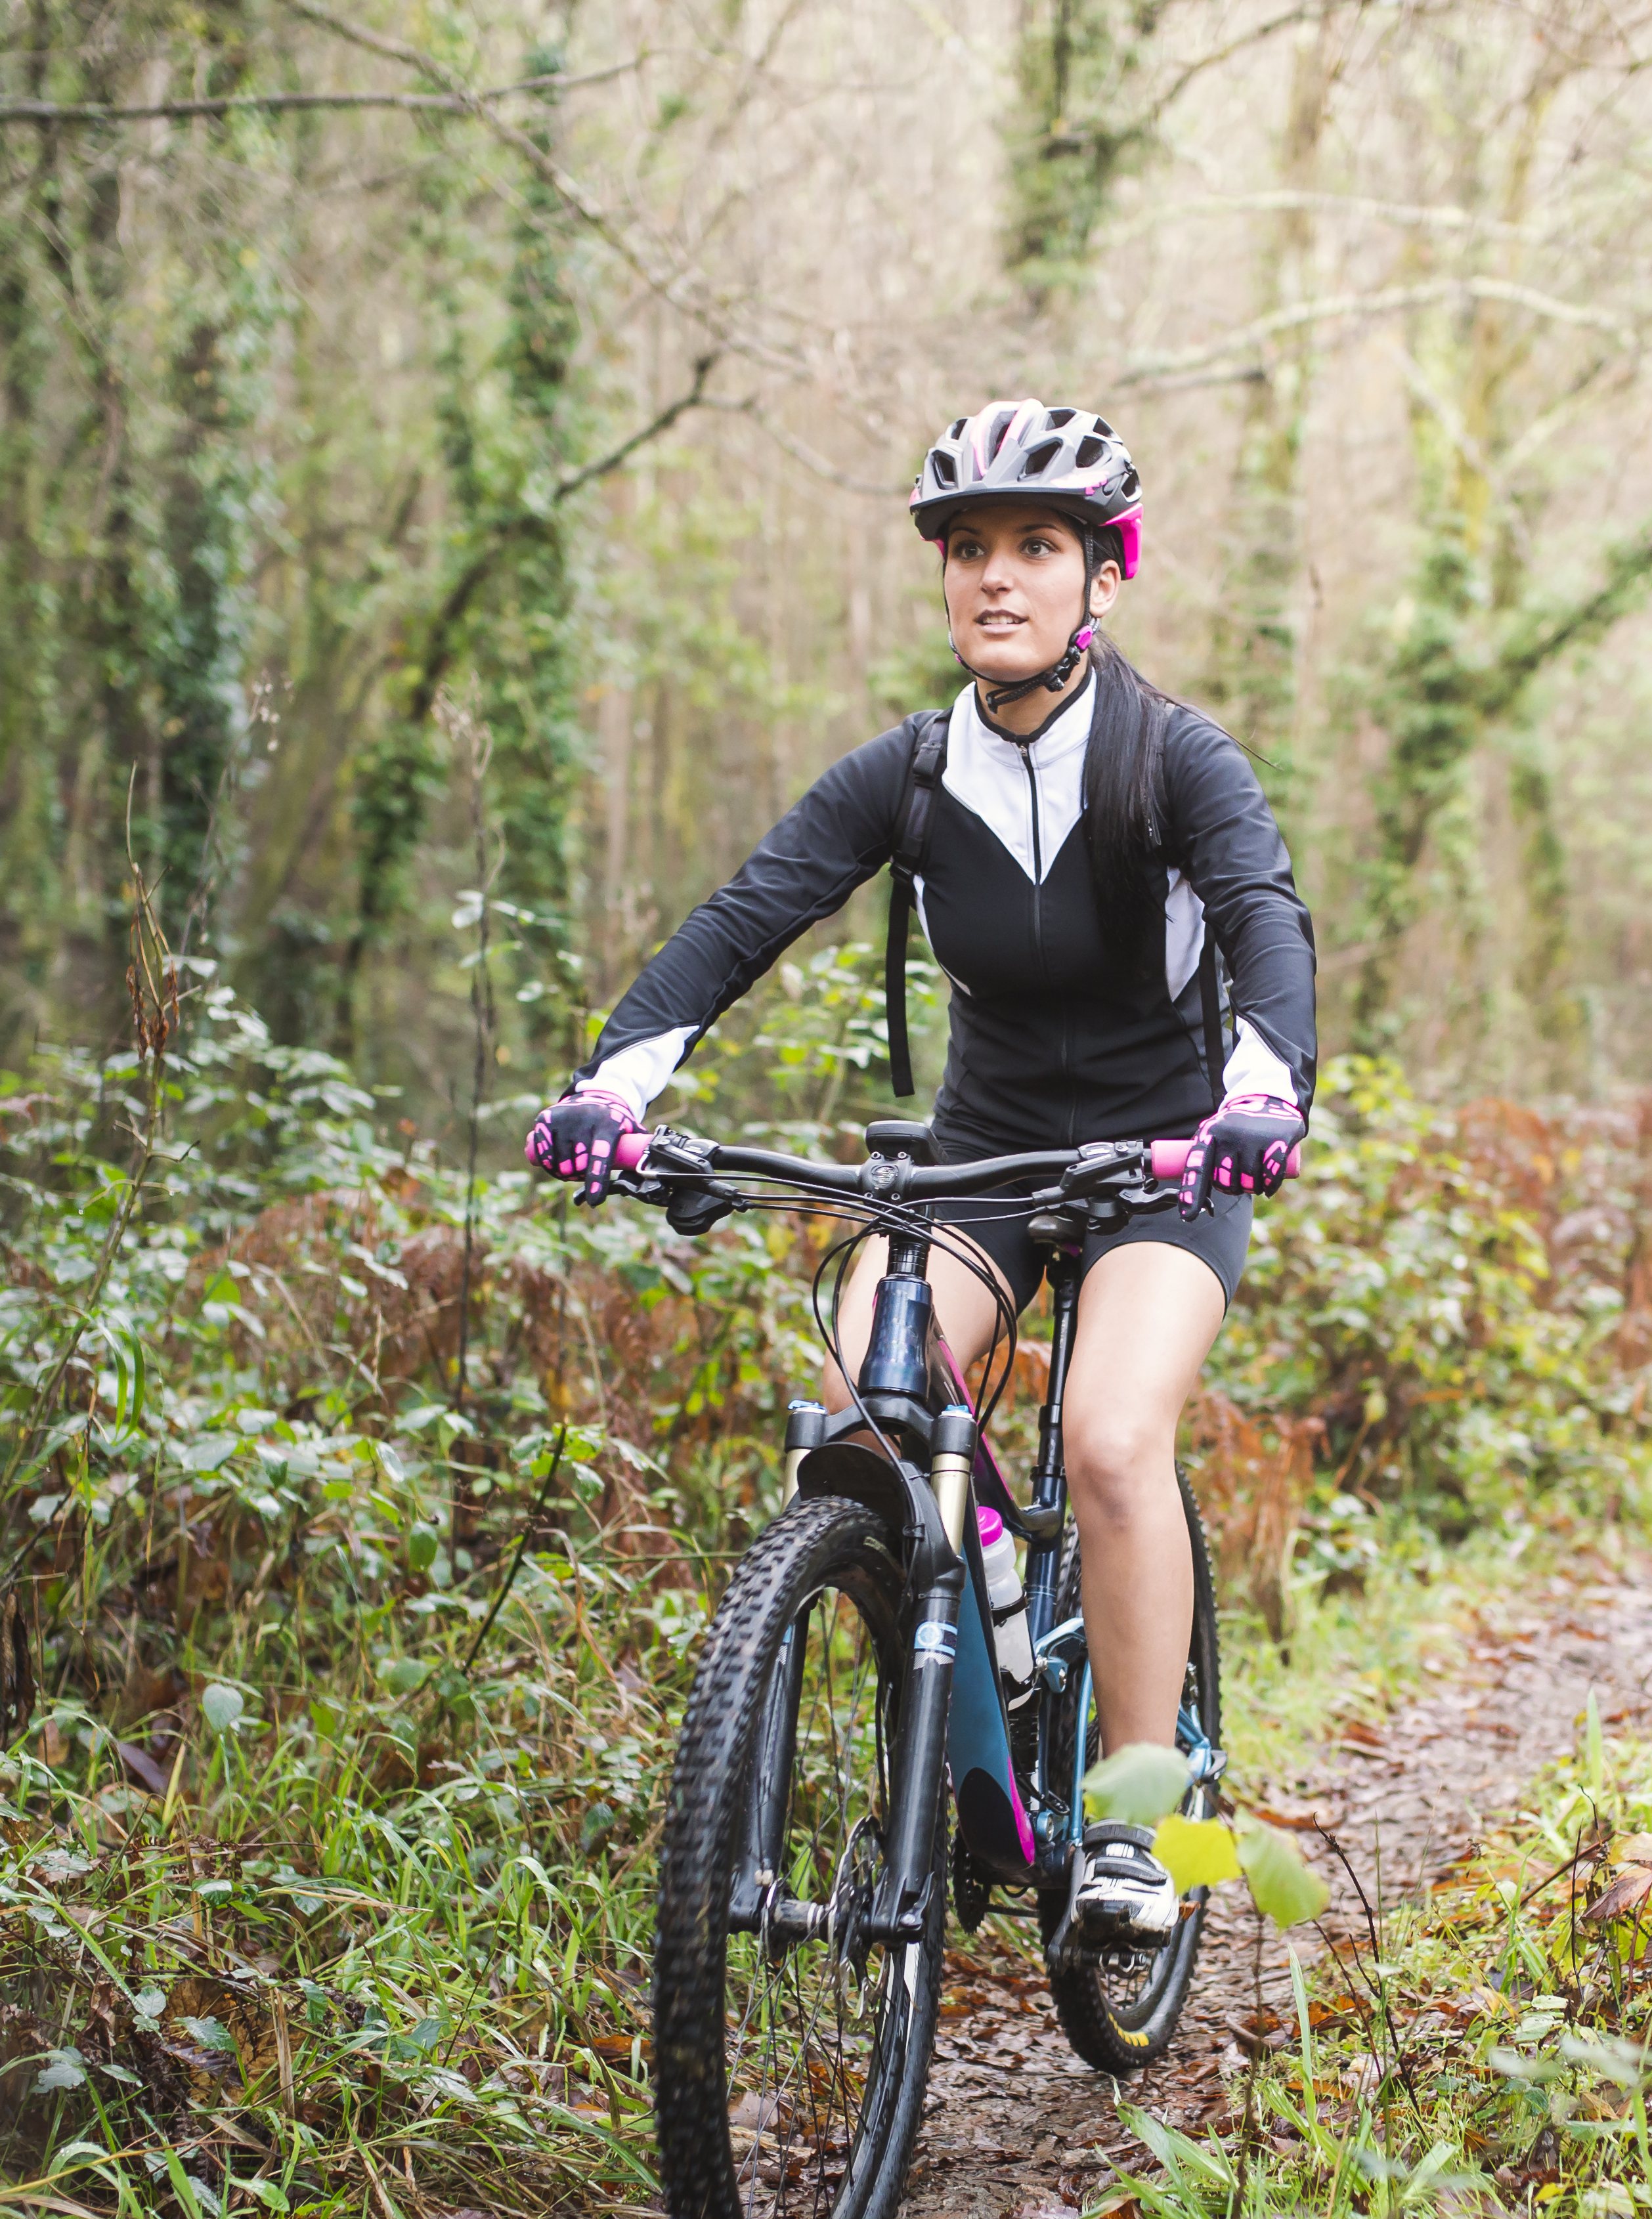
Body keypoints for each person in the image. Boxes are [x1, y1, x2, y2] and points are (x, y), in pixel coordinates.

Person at [526, 397, 1315, 1829]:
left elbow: (1265, 923)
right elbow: (742, 918)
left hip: (1166, 1162)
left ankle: (1142, 1818)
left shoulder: (1174, 761)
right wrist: (612, 1086)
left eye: (1033, 545)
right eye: (967, 548)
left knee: (1111, 1440)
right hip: (984, 1159)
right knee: (852, 1412)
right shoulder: (910, 769)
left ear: (1102, 578)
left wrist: (1262, 1092)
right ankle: (957, 1754)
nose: (995, 575)